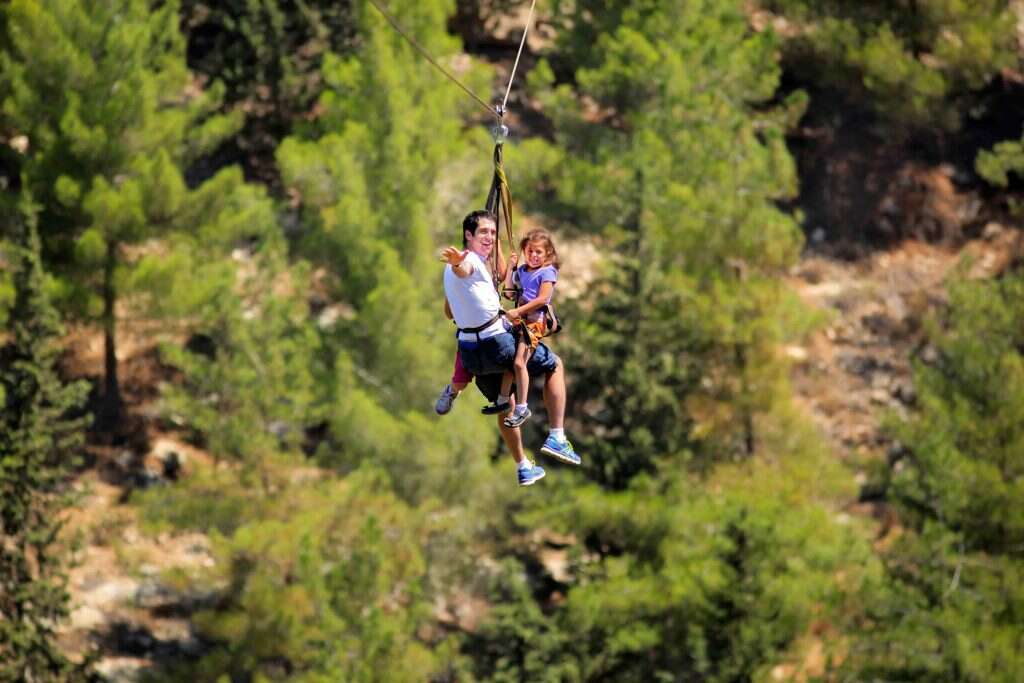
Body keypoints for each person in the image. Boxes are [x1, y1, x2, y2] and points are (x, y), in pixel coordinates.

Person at [439, 210, 580, 486]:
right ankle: (557, 435)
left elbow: (450, 311)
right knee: (554, 365)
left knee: (505, 401)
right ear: (468, 236)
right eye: (484, 233)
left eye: (493, 233)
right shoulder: (468, 263)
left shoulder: (454, 274)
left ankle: (523, 465)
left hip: (471, 357)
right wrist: (459, 264)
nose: (490, 237)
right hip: (496, 345)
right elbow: (466, 267)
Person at [496, 228, 560, 428]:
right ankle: (502, 399)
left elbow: (542, 298)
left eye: (538, 252)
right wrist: (512, 267)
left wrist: (518, 311)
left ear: (547, 254)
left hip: (534, 322)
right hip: (519, 319)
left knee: (518, 363)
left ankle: (522, 407)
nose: (533, 256)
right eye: (530, 251)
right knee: (508, 361)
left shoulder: (547, 272)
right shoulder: (522, 272)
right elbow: (508, 292)